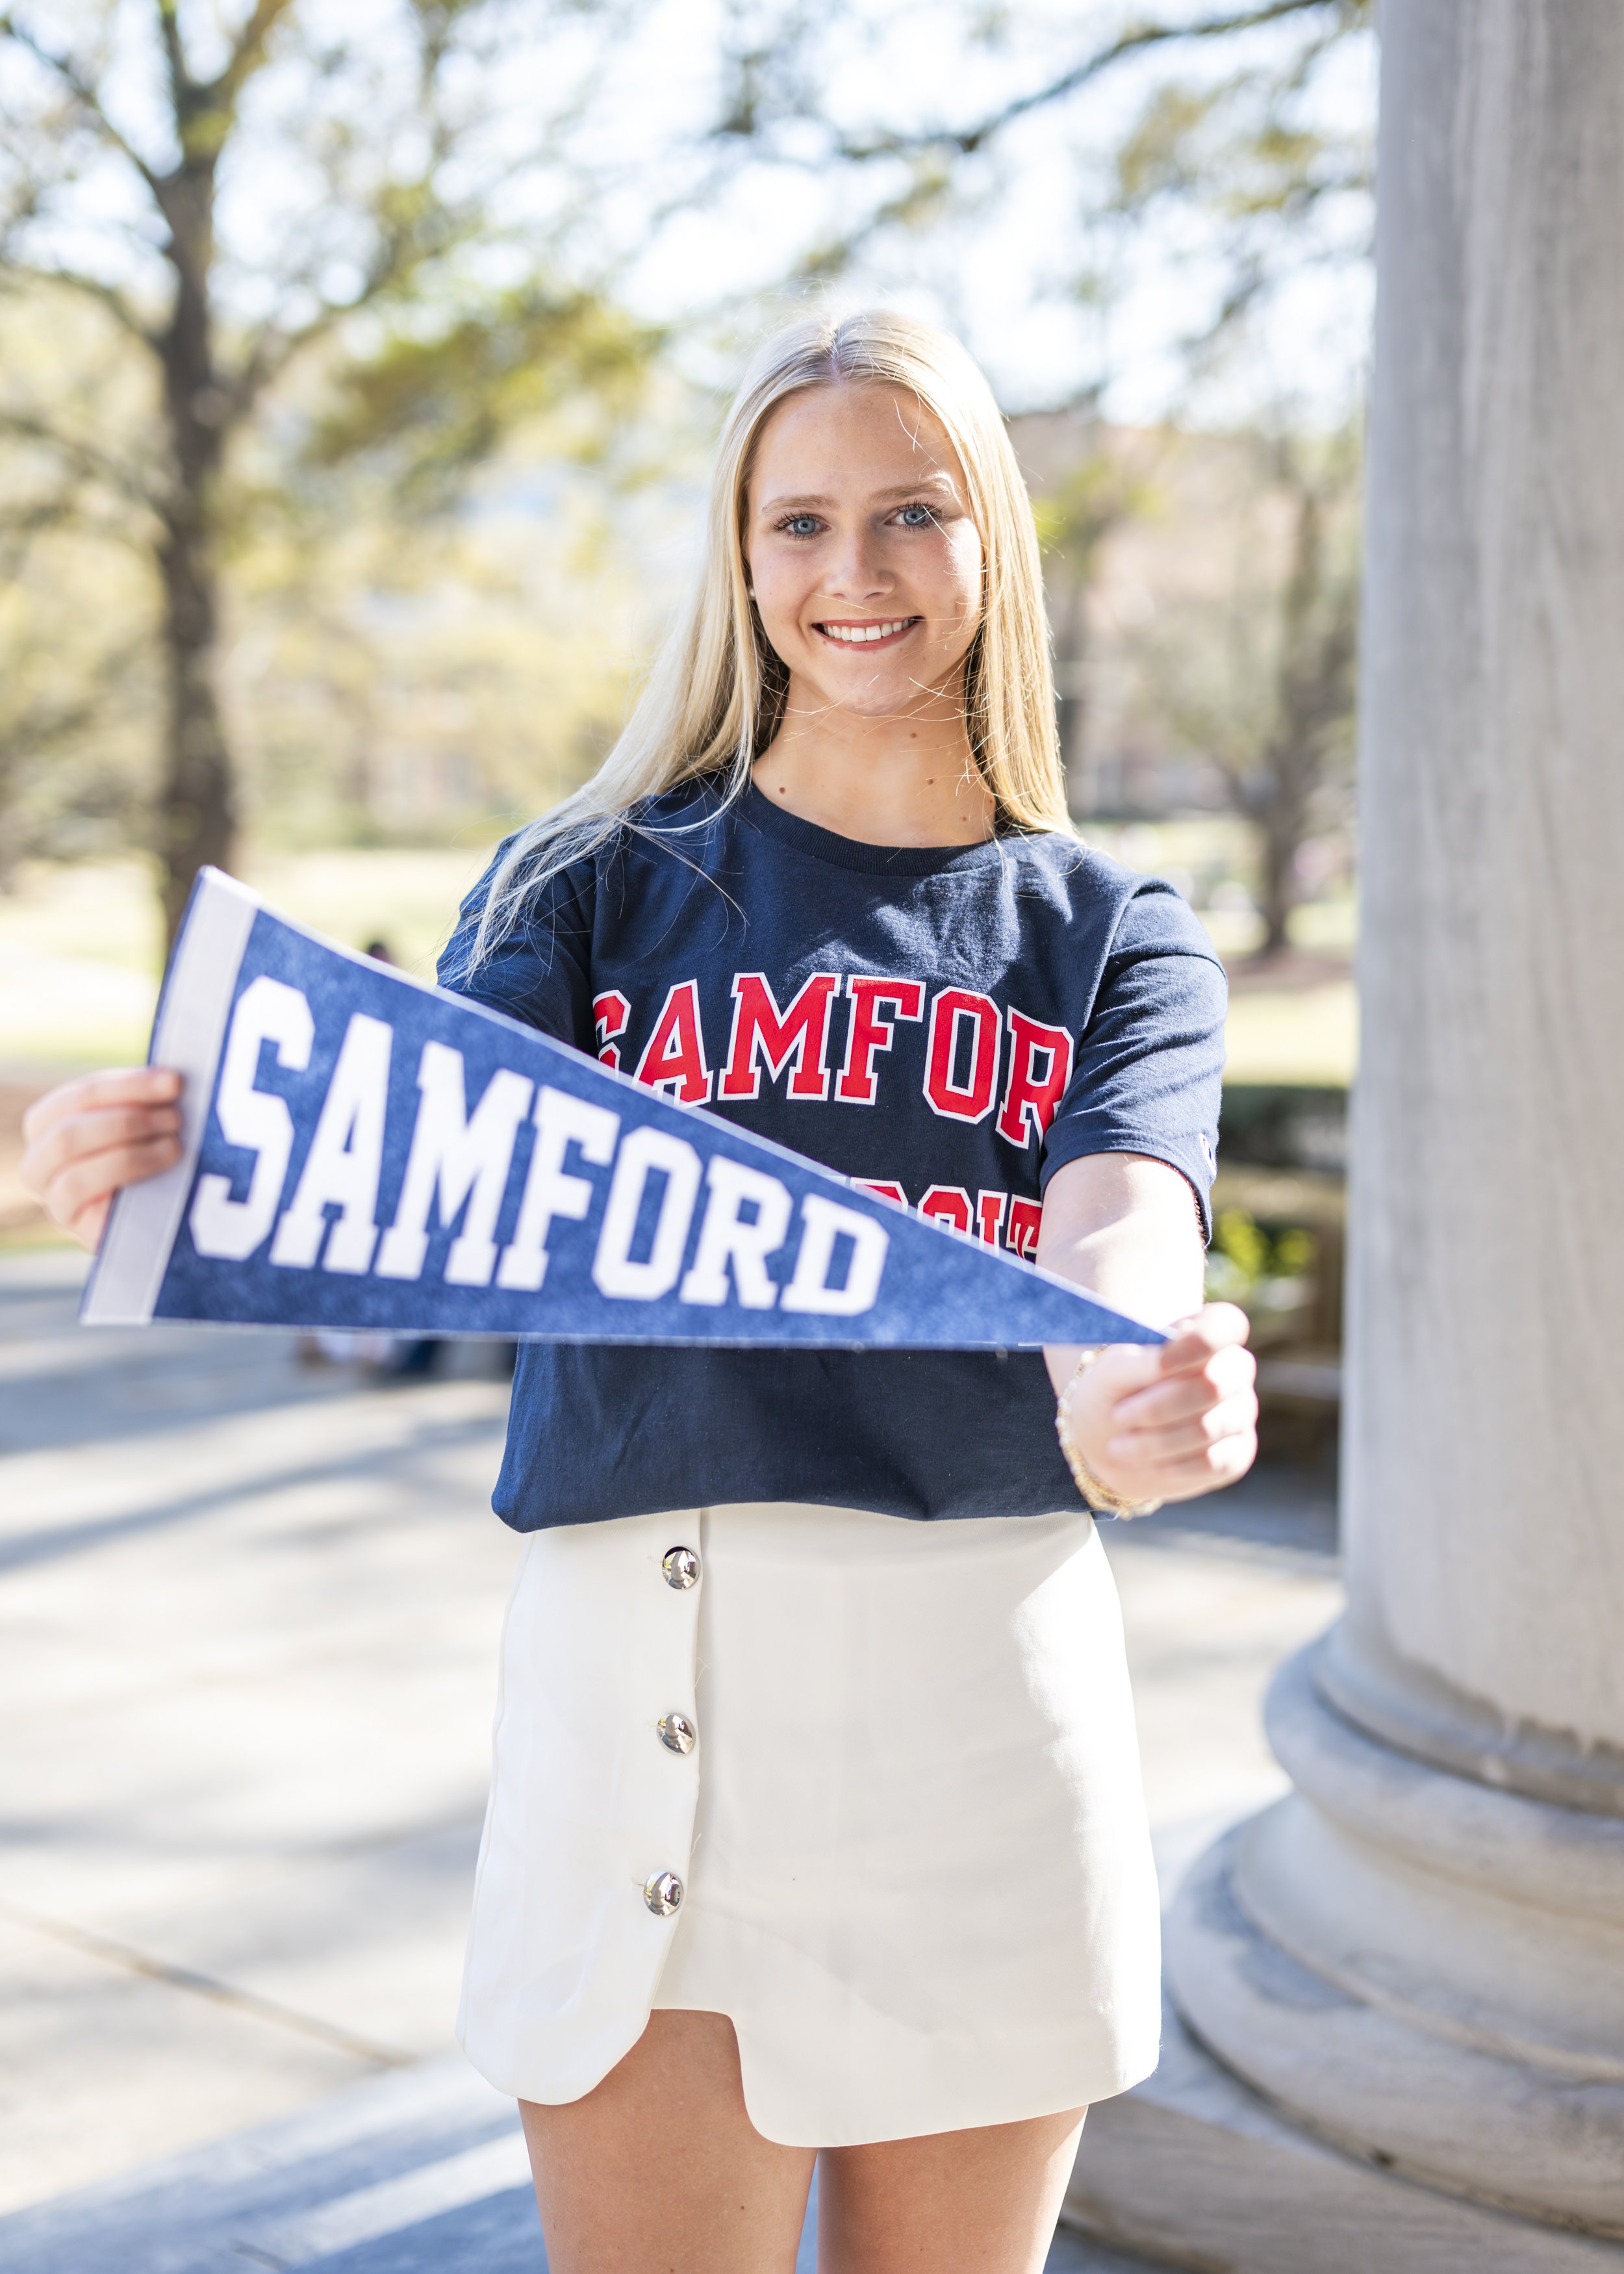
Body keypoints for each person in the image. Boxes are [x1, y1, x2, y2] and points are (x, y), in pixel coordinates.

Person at [21, 311, 1257, 2274]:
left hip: (971, 1707)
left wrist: (1130, 1376)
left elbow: (1120, 1218)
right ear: (738, 555)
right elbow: (419, 1147)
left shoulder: (1111, 929)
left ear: (989, 543)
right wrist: (178, 1140)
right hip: (638, 1700)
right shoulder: (584, 880)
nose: (850, 574)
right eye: (799, 522)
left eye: (911, 514)